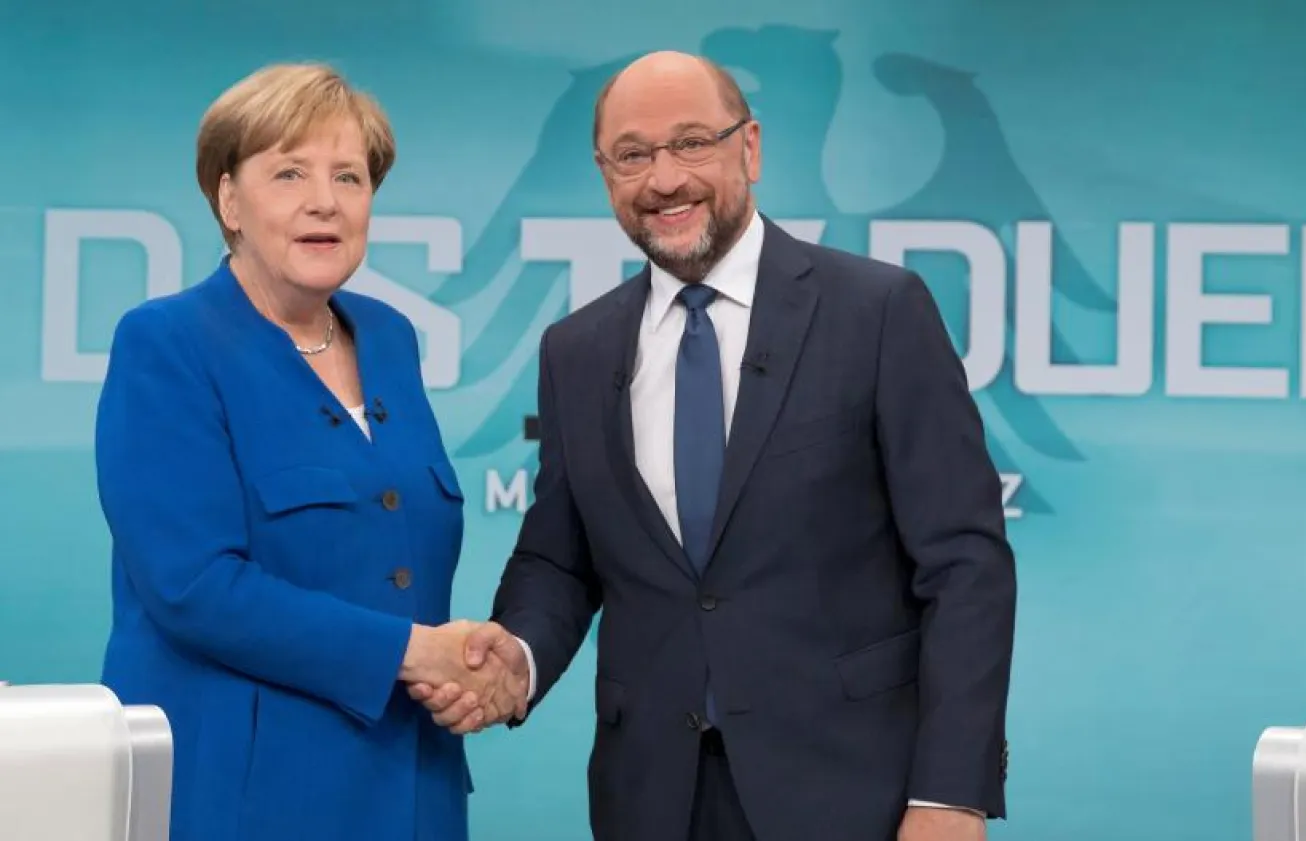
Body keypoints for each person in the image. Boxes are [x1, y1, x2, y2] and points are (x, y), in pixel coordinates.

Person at [415, 50, 1016, 841]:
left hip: (855, 795)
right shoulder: (577, 349)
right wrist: (515, 659)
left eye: (692, 142)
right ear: (605, 175)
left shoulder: (877, 313)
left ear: (751, 148)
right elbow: (561, 558)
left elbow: (965, 563)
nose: (665, 179)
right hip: (653, 800)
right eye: (633, 155)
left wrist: (950, 793)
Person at [94, 62, 527, 841]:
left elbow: (396, 554)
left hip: (412, 784)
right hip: (246, 794)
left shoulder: (391, 337)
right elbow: (193, 583)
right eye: (289, 172)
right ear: (228, 198)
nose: (324, 200)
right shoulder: (166, 342)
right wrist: (412, 650)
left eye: (349, 177)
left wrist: (467, 662)